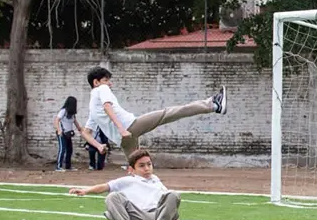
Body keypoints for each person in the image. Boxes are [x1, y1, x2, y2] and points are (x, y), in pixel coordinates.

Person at [84, 67, 227, 157]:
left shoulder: (92, 106)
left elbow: (86, 132)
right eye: (106, 80)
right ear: (96, 82)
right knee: (168, 113)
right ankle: (213, 104)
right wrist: (122, 129)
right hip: (130, 127)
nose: (110, 83)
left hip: (123, 141)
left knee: (137, 167)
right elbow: (108, 107)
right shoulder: (101, 89)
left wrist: (98, 146)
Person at [69, 148, 194, 220]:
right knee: (112, 197)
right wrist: (85, 191)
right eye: (141, 165)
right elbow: (105, 186)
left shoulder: (156, 180)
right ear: (131, 169)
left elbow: (168, 210)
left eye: (149, 164)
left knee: (173, 194)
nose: (147, 169)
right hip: (140, 217)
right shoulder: (128, 180)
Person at [54, 96, 79, 171]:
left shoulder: (72, 113)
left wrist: (80, 128)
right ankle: (58, 167)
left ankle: (68, 166)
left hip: (68, 134)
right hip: (62, 133)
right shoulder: (63, 111)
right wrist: (59, 130)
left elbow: (75, 121)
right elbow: (56, 120)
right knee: (62, 149)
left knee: (69, 150)